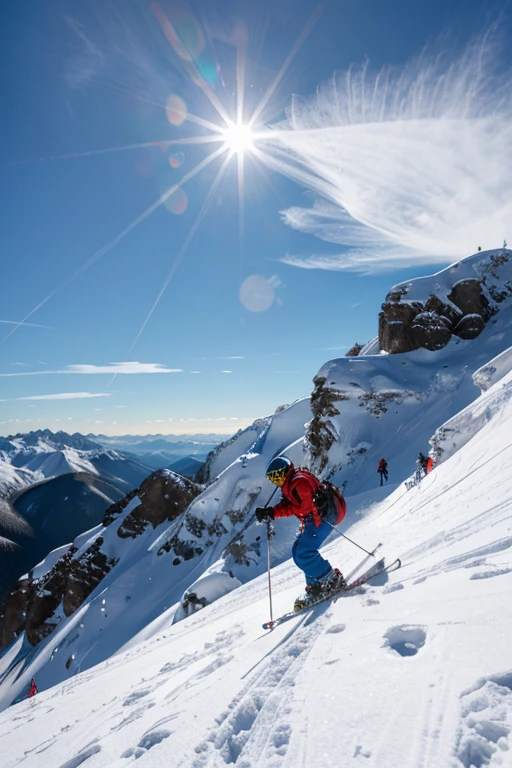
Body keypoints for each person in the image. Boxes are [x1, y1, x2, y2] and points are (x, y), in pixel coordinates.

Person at [255, 456, 347, 610]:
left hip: (324, 516)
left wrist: (272, 512)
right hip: (315, 517)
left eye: (278, 476)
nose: (277, 481)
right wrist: (270, 512)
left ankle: (332, 579)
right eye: (273, 478)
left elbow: (304, 507)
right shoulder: (291, 483)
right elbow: (289, 505)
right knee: (298, 552)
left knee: (305, 552)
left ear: (286, 471)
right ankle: (315, 585)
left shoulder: (300, 482)